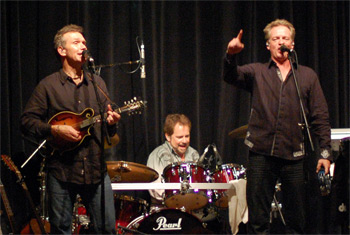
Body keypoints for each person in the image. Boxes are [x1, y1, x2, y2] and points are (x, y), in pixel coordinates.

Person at [223, 19, 332, 234]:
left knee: (296, 220)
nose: (280, 41)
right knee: (258, 220)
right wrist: (230, 56)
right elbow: (230, 76)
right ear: (268, 45)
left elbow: (320, 116)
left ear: (292, 44)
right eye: (276, 38)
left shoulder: (307, 76)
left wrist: (325, 152)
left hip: (295, 156)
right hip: (261, 154)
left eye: (285, 38)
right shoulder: (257, 72)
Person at [21, 24, 120, 234]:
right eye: (76, 42)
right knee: (61, 230)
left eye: (84, 42)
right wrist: (55, 130)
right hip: (62, 172)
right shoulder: (48, 86)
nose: (83, 46)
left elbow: (109, 133)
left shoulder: (97, 83)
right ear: (62, 50)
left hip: (96, 171)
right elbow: (27, 121)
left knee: (108, 229)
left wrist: (112, 124)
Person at [146, 114, 200, 210]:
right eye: (179, 137)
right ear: (168, 136)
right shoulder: (158, 155)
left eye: (187, 136)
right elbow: (157, 191)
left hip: (191, 211)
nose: (184, 141)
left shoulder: (193, 154)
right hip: (164, 212)